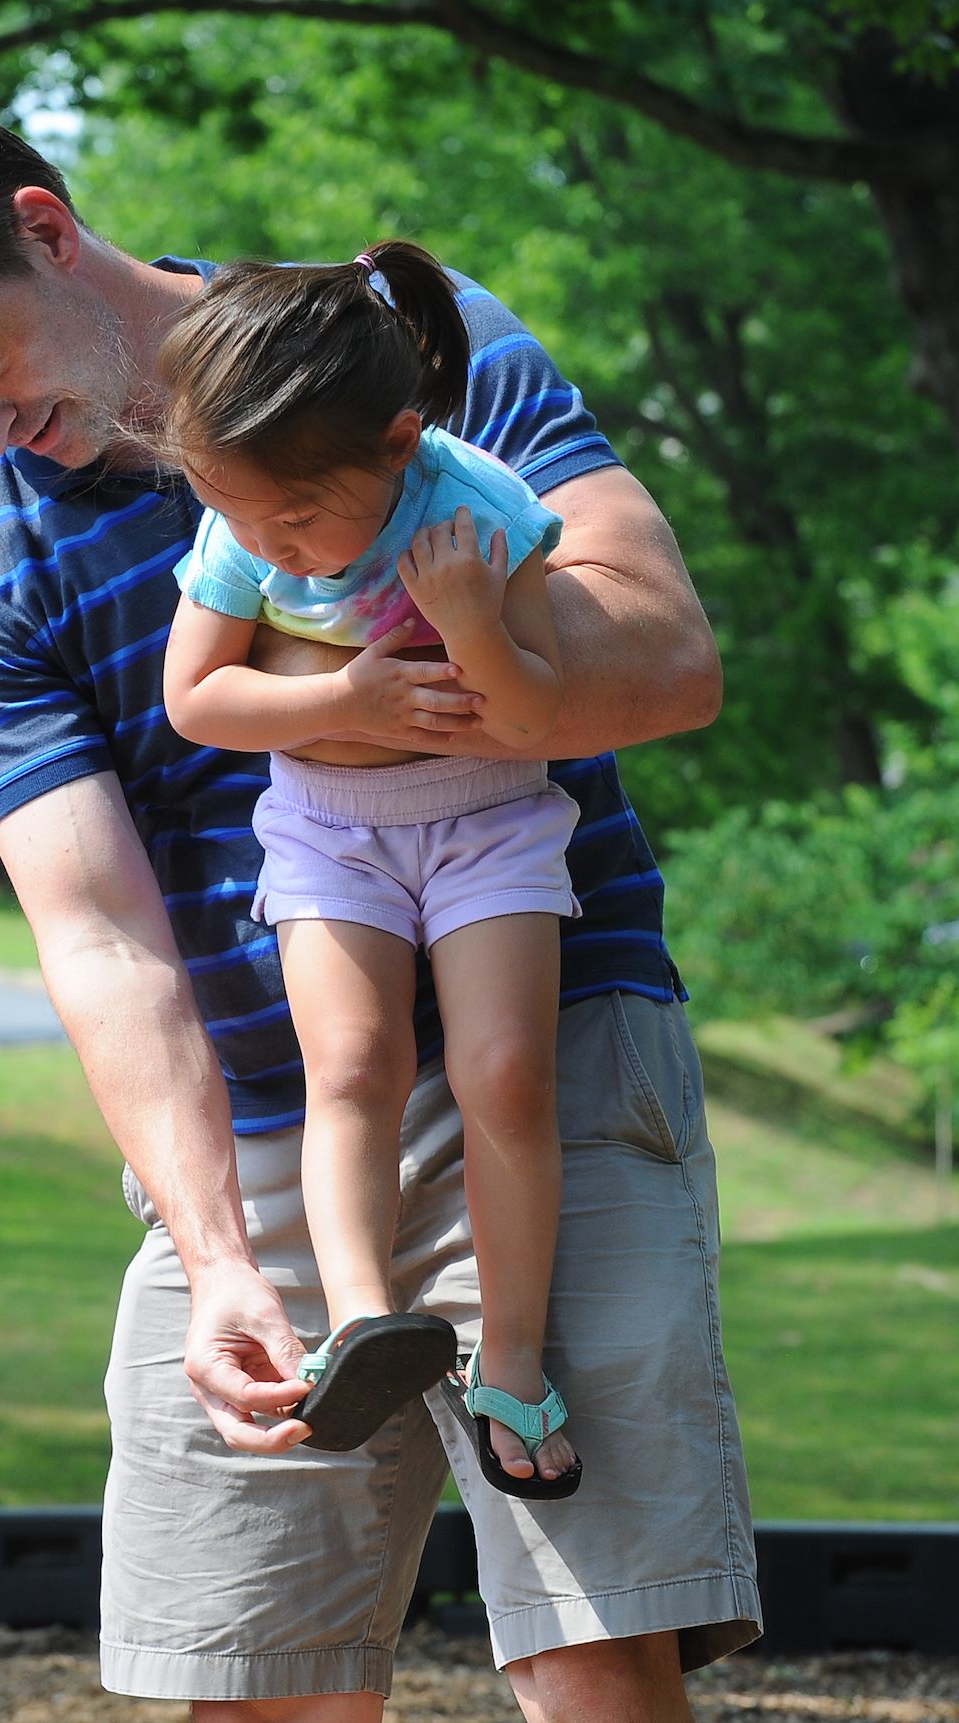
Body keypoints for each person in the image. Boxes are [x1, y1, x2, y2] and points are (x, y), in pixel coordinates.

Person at [0, 103, 760, 1718]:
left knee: (594, 1644)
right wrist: (215, 1245)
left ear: (43, 224)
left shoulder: (389, 352)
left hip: (550, 1044)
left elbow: (665, 661)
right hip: (262, 1128)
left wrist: (389, 696)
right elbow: (99, 935)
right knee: (247, 1669)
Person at [153, 242, 583, 1496]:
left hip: (487, 816)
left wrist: (465, 625)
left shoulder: (482, 516)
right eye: (239, 515)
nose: (272, 548)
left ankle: (509, 1361)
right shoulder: (243, 527)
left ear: (398, 443)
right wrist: (345, 694)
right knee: (351, 1064)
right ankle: (363, 1327)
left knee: (507, 1075)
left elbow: (538, 713)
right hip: (329, 826)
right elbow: (195, 700)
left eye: (294, 517)